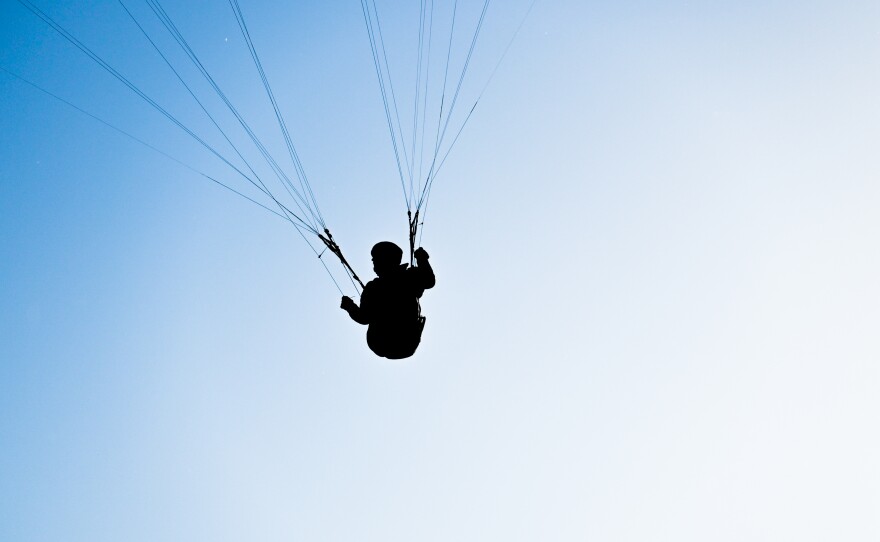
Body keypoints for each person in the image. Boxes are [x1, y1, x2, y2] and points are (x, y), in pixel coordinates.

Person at [341, 242, 435, 359]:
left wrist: (349, 306)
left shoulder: (375, 287)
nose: (373, 263)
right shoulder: (409, 276)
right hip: (404, 343)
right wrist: (422, 259)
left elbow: (364, 318)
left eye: (375, 259)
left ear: (386, 260)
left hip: (388, 343)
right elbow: (429, 280)